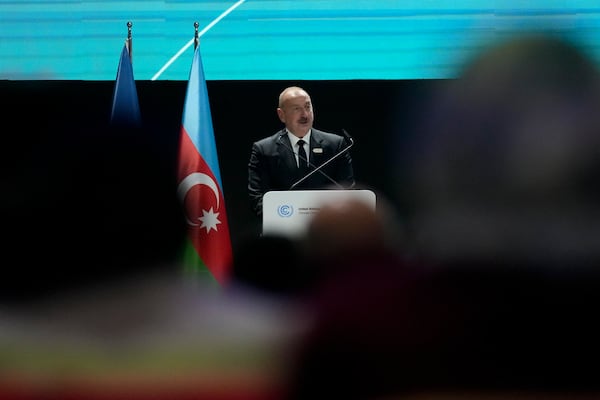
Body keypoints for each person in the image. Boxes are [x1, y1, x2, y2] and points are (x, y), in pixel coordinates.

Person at [247, 86, 356, 217]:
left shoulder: (336, 146)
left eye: (307, 107)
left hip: (326, 228)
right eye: (296, 109)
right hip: (283, 230)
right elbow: (257, 199)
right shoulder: (264, 149)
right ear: (281, 115)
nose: (304, 114)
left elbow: (347, 192)